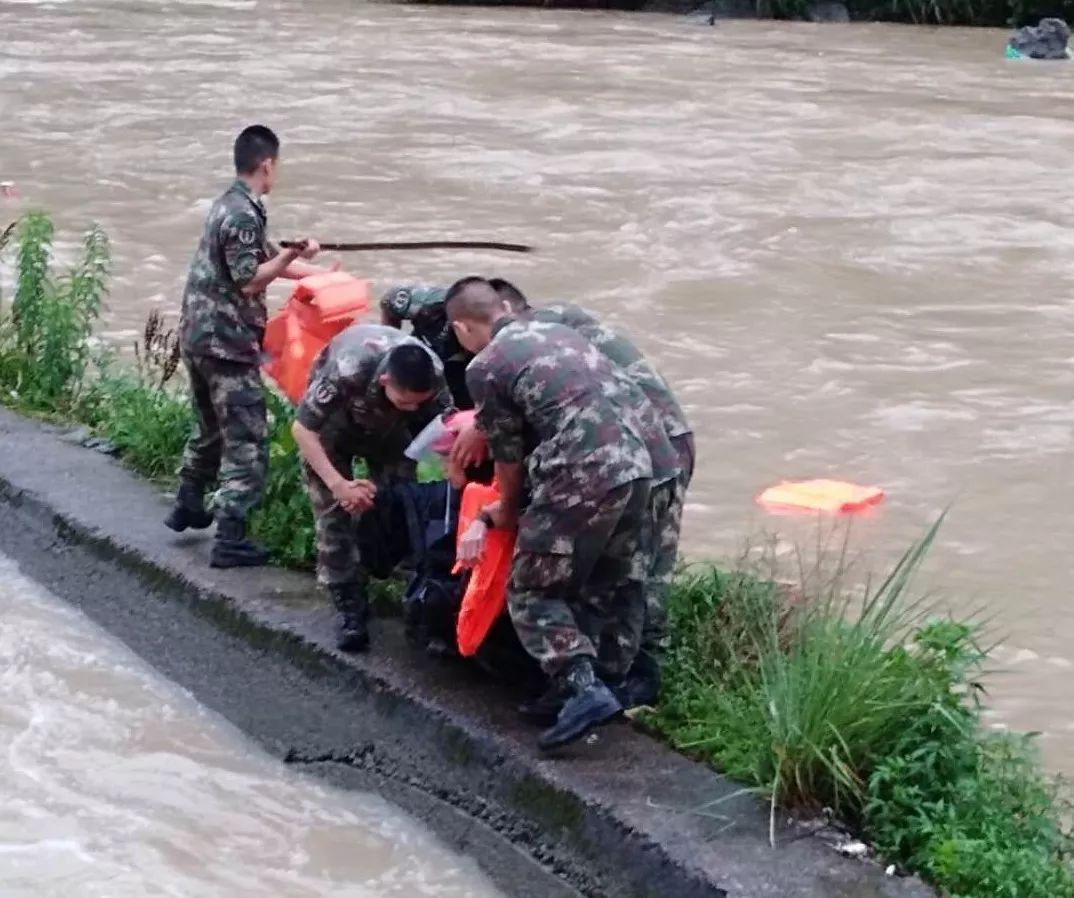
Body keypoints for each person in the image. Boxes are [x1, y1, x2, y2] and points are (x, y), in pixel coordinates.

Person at [445, 276, 661, 751]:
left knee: (530, 587)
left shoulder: (486, 365)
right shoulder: (559, 332)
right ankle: (597, 685)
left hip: (580, 470)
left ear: (463, 327)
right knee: (609, 579)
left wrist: (504, 510)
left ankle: (583, 688)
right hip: (638, 461)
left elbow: (507, 457)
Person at [489, 278, 694, 709]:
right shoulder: (557, 327)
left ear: (506, 308)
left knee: (638, 566)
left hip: (649, 445)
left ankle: (637, 676)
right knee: (617, 565)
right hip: (641, 441)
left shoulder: (540, 328)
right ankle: (603, 678)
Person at [166, 125, 328, 568]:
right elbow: (251, 277)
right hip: (226, 343)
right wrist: (291, 259)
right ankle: (230, 536)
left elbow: (264, 261)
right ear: (267, 165)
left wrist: (308, 267)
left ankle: (188, 503)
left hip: (199, 336)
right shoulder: (241, 216)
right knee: (247, 438)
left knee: (208, 429)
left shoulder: (231, 204)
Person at [291, 324, 452, 652]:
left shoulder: (433, 375)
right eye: (405, 401)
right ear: (385, 382)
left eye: (417, 404)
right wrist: (339, 485)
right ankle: (348, 600)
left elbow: (445, 430)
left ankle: (403, 579)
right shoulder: (350, 368)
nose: (412, 408)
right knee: (334, 513)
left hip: (392, 436)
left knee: (401, 505)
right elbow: (302, 429)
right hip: (333, 430)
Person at [379, 283, 473, 409]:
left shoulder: (487, 334)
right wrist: (392, 341)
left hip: (460, 361)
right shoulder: (425, 303)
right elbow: (388, 302)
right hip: (419, 351)